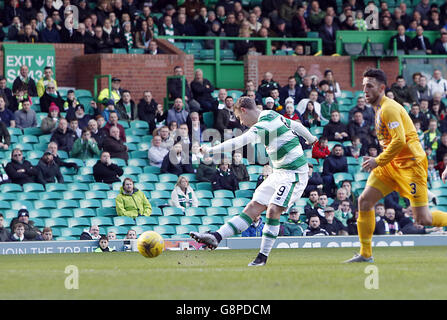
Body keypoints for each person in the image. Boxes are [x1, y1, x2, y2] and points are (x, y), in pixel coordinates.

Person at [190, 96, 318, 266]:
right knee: (253, 208)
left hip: (294, 173)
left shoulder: (262, 125)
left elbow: (238, 141)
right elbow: (295, 125)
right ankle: (216, 236)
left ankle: (262, 257)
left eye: (240, 118)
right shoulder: (270, 114)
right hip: (279, 173)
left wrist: (210, 150)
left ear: (243, 110)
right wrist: (311, 138)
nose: (242, 123)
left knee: (273, 210)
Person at [345, 68, 447, 263]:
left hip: (411, 165)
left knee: (423, 219)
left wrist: (378, 160)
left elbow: (399, 141)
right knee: (364, 201)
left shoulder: (388, 108)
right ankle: (365, 254)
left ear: (382, 88)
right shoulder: (378, 109)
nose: (364, 90)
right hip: (392, 163)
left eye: (369, 86)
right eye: (363, 86)